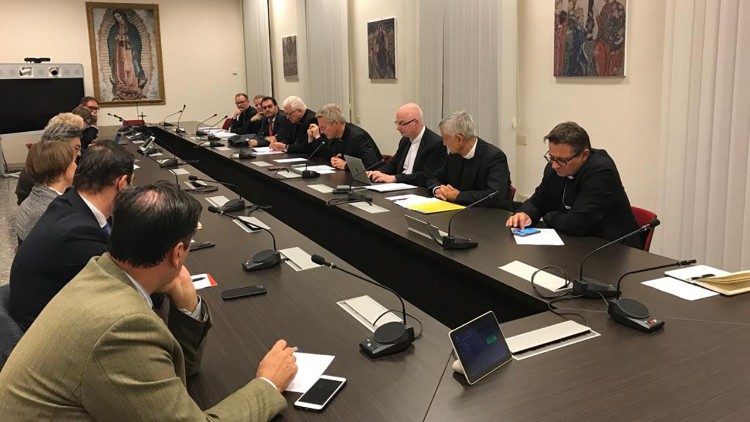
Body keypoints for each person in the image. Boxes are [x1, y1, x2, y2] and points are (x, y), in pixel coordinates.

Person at [0, 181, 296, 420]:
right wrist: (267, 384)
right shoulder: (122, 329)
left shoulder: (98, 271)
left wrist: (186, 304)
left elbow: (177, 373)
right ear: (177, 253)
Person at [9, 143, 134, 331]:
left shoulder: (67, 201)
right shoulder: (80, 236)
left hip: (39, 310)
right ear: (122, 183)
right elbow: (125, 290)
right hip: (45, 332)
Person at [506, 121, 640, 245]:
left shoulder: (601, 171)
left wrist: (548, 215)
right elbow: (538, 200)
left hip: (610, 247)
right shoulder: (554, 166)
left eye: (562, 160)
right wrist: (525, 214)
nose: (554, 165)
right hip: (573, 241)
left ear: (584, 155)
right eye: (551, 157)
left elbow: (577, 224)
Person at [425, 111, 512, 209]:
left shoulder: (494, 157)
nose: (444, 143)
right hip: (459, 211)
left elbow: (494, 196)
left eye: (445, 138)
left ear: (459, 139)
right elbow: (433, 177)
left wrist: (458, 196)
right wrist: (438, 189)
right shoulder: (454, 155)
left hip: (489, 214)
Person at [367, 103, 446, 186]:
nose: (398, 128)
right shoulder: (405, 140)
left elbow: (426, 176)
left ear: (416, 123)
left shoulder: (435, 143)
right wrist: (378, 173)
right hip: (400, 186)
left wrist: (394, 178)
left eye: (402, 123)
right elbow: (394, 164)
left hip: (419, 188)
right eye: (397, 123)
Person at [14, 141, 77, 243]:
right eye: (74, 161)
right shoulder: (56, 212)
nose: (76, 166)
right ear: (64, 168)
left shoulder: (29, 201)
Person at [15, 119, 83, 205]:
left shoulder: (34, 167)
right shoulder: (33, 174)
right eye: (76, 148)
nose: (79, 154)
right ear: (58, 147)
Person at [307, 103, 382, 170]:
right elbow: (326, 154)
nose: (321, 132)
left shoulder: (358, 137)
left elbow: (372, 165)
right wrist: (333, 160)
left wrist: (346, 165)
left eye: (323, 128)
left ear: (336, 124)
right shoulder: (334, 135)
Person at [108, 9, 146, 100]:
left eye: (119, 16)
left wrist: (126, 38)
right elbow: (110, 41)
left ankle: (132, 85)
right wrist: (116, 39)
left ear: (123, 16)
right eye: (115, 17)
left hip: (129, 50)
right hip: (119, 50)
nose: (117, 19)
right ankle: (121, 84)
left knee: (130, 67)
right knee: (120, 67)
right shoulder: (114, 28)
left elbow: (136, 41)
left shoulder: (131, 27)